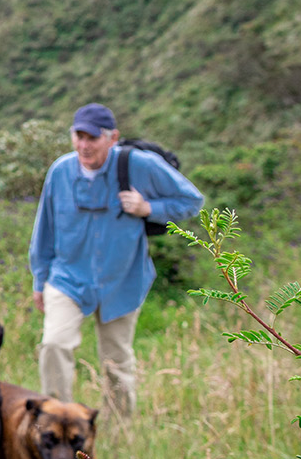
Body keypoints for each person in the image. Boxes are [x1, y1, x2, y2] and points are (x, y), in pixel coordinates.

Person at [29, 103, 203, 417]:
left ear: (113, 138)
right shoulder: (61, 171)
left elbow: (191, 201)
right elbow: (45, 229)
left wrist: (148, 208)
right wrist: (39, 280)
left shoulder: (139, 165)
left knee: (116, 362)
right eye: (78, 136)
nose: (84, 145)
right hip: (67, 278)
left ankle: (119, 433)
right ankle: (58, 425)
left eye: (92, 138)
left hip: (122, 279)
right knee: (54, 345)